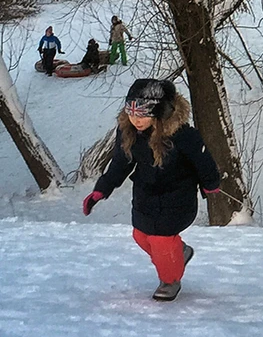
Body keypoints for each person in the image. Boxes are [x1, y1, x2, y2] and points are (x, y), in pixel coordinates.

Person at [82, 79, 220, 301]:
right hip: (145, 195)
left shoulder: (183, 135)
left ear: (159, 111)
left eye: (143, 114)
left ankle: (170, 279)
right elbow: (121, 163)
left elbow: (204, 162)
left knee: (161, 241)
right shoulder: (129, 132)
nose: (136, 119)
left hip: (177, 197)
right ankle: (180, 253)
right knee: (140, 236)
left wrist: (211, 185)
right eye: (131, 112)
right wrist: (101, 190)